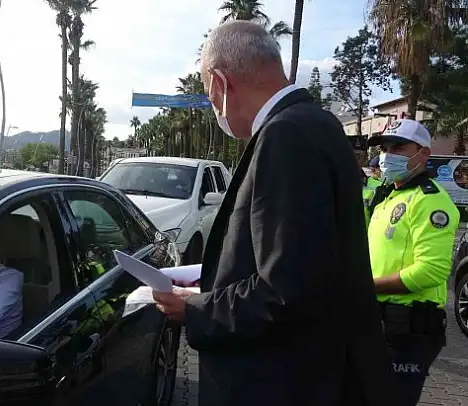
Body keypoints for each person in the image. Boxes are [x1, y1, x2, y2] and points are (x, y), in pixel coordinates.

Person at [152, 21, 393, 405]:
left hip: (280, 382)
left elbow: (286, 291)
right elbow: (302, 260)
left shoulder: (285, 136)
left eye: (210, 96)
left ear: (220, 83)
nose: (215, 109)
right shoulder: (317, 123)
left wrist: (195, 309)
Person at [366, 119, 458, 405]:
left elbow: (431, 270)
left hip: (408, 330)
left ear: (423, 154)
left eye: (398, 148)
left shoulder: (430, 201)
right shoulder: (388, 198)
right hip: (382, 323)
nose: (387, 155)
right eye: (384, 148)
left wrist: (366, 286)